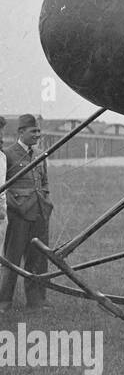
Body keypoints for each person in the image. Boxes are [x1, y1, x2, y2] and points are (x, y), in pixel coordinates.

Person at [0, 115, 53, 313]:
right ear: (20, 132)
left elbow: (44, 182)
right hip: (19, 216)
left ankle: (37, 302)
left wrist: (46, 202)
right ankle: (3, 303)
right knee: (11, 260)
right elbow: (3, 186)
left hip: (40, 214)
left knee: (38, 259)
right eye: (33, 131)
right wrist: (16, 206)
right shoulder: (7, 154)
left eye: (39, 131)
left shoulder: (41, 154)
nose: (37, 135)